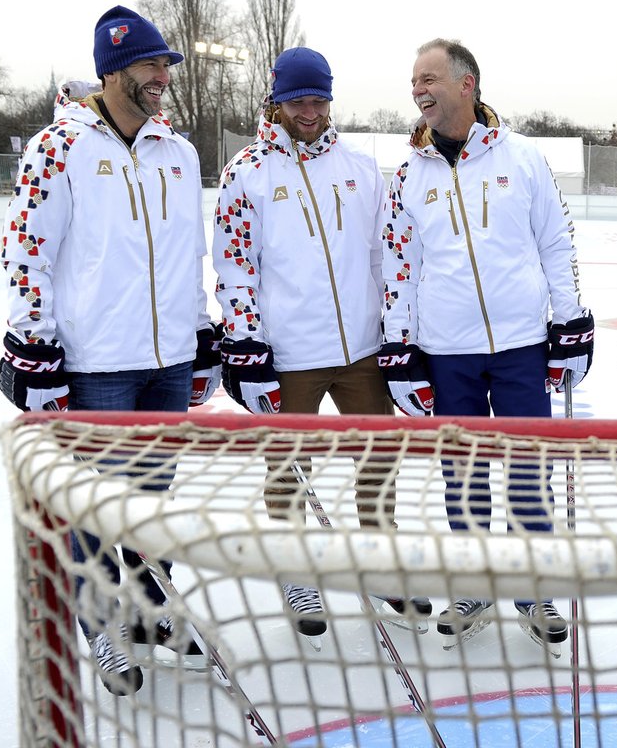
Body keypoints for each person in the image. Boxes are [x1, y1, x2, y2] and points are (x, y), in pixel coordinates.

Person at [0, 5, 220, 694]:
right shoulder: (57, 148)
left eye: (166, 66)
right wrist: (33, 347)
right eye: (154, 66)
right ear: (114, 70)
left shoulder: (178, 154)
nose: (164, 78)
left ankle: (154, 607)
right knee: (93, 508)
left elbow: (189, 254)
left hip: (168, 359)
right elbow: (27, 253)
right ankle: (99, 621)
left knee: (153, 500)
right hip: (97, 365)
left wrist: (199, 335)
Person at [377, 38, 594, 652]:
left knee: (530, 469)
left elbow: (555, 242)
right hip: (449, 352)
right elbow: (399, 266)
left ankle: (532, 586)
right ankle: (473, 585)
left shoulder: (523, 159)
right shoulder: (408, 175)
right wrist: (401, 348)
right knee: (463, 474)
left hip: (522, 344)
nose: (418, 89)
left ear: (465, 84)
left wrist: (569, 320)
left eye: (429, 78)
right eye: (414, 80)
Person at [213, 46, 431, 647]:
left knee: (378, 462)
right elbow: (235, 267)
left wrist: (394, 333)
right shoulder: (247, 172)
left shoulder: (361, 167)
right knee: (287, 469)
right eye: (297, 100)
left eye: (318, 99)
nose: (309, 111)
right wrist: (246, 344)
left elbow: (385, 257)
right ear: (277, 99)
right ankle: (296, 574)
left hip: (361, 350)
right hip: (289, 355)